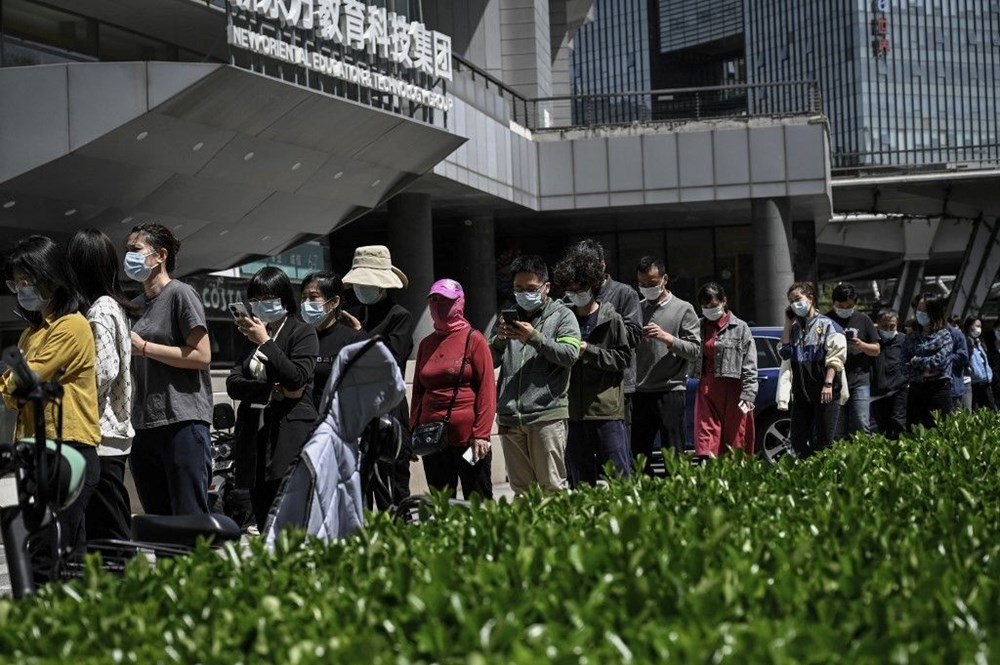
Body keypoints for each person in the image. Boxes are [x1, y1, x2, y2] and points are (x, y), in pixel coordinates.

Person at [0, 235, 100, 580]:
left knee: (47, 555)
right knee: (66, 556)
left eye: (28, 280)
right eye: (17, 281)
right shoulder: (30, 334)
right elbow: (12, 395)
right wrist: (15, 382)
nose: (22, 288)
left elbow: (23, 381)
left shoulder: (72, 326)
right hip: (34, 451)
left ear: (52, 277)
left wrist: (15, 381)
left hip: (67, 449)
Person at [125, 222, 213, 516]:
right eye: (127, 251)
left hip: (182, 422)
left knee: (189, 521)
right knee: (158, 523)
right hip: (143, 426)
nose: (129, 257)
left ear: (160, 255)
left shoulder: (181, 294)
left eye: (136, 250)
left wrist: (146, 348)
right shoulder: (134, 305)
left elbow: (202, 355)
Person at [226, 267, 318, 530]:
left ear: (283, 297)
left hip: (287, 434)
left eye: (268, 297)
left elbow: (297, 378)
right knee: (264, 517)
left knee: (291, 521)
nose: (260, 305)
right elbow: (233, 383)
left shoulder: (302, 332)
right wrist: (270, 390)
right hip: (254, 437)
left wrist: (266, 341)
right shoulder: (250, 336)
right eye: (255, 299)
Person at [66, 229, 141, 541]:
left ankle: (124, 589)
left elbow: (103, 371)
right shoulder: (114, 306)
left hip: (101, 433)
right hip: (112, 431)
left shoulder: (98, 311)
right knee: (108, 525)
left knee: (108, 531)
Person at [489, 254, 580, 494]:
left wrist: (535, 338)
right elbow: (488, 360)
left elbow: (570, 354)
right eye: (518, 288)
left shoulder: (563, 316)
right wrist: (499, 339)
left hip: (546, 415)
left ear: (546, 287)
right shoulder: (506, 316)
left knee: (552, 487)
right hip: (510, 416)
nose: (523, 294)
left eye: (531, 288)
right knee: (521, 491)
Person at [552, 247, 632, 487]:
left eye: (581, 289)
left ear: (593, 286)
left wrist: (589, 351)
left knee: (619, 478)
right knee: (580, 480)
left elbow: (622, 359)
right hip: (573, 412)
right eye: (571, 290)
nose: (576, 294)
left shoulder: (612, 318)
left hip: (606, 410)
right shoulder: (563, 319)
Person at [411, 279, 496, 499]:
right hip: (433, 440)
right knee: (442, 503)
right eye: (434, 300)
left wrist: (482, 434)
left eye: (446, 301)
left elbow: (487, 389)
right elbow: (418, 392)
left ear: (459, 303)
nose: (439, 306)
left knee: (477, 500)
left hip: (470, 441)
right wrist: (413, 431)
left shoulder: (474, 340)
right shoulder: (426, 344)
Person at [342, 245, 413, 507]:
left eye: (367, 283)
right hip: (356, 414)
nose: (362, 289)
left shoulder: (399, 317)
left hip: (388, 415)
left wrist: (360, 334)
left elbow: (390, 360)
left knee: (391, 491)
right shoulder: (354, 314)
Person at [631, 256, 700, 471]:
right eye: (642, 284)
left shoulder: (683, 308)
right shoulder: (636, 309)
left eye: (651, 284)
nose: (646, 288)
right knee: (638, 455)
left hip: (670, 390)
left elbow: (694, 350)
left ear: (664, 279)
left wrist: (666, 338)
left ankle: (677, 498)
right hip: (639, 391)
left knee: (673, 454)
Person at [569, 239, 642, 439]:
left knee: (616, 456)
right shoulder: (572, 295)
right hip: (578, 391)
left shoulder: (624, 293)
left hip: (614, 388)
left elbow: (635, 335)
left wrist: (605, 329)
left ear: (602, 265)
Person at [778, 281, 847, 459]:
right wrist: (787, 322)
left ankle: (826, 477)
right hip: (802, 393)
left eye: (797, 299)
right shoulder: (794, 329)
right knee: (798, 440)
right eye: (791, 301)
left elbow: (836, 358)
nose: (794, 304)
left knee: (824, 441)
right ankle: (808, 472)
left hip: (826, 391)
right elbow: (785, 352)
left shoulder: (829, 325)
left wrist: (828, 383)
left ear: (810, 298)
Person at [692, 282, 757, 457]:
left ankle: (734, 480)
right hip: (707, 388)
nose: (709, 310)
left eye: (713, 306)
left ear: (724, 302)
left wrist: (749, 393)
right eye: (705, 307)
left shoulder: (740, 327)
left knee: (735, 439)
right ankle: (709, 476)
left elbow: (750, 363)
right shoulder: (698, 326)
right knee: (706, 437)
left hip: (734, 389)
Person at [300, 271, 367, 407]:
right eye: (303, 298)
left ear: (334, 302)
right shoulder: (300, 339)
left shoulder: (354, 340)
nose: (306, 303)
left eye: (313, 297)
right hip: (303, 422)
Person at [826, 283, 880, 437]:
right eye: (840, 306)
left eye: (848, 306)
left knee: (860, 423)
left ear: (855, 303)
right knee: (836, 427)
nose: (844, 309)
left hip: (859, 379)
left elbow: (876, 349)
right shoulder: (826, 320)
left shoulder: (863, 319)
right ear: (833, 303)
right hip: (835, 380)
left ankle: (864, 456)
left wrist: (861, 345)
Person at [902, 293, 954, 430]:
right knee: (914, 431)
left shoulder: (945, 335)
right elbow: (903, 366)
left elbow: (938, 362)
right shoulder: (910, 337)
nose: (920, 313)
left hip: (939, 390)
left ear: (934, 312)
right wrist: (921, 374)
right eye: (919, 309)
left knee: (940, 430)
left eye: (925, 310)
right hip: (916, 389)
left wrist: (915, 360)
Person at [870, 309, 909, 439]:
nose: (888, 329)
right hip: (878, 392)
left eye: (892, 326)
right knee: (882, 426)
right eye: (884, 326)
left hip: (899, 389)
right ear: (877, 324)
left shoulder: (904, 340)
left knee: (898, 421)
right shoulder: (872, 341)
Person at [965, 317, 996, 411]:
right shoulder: (967, 342)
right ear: (969, 327)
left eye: (980, 326)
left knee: (991, 408)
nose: (979, 329)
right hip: (975, 383)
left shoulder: (979, 342)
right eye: (977, 326)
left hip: (985, 381)